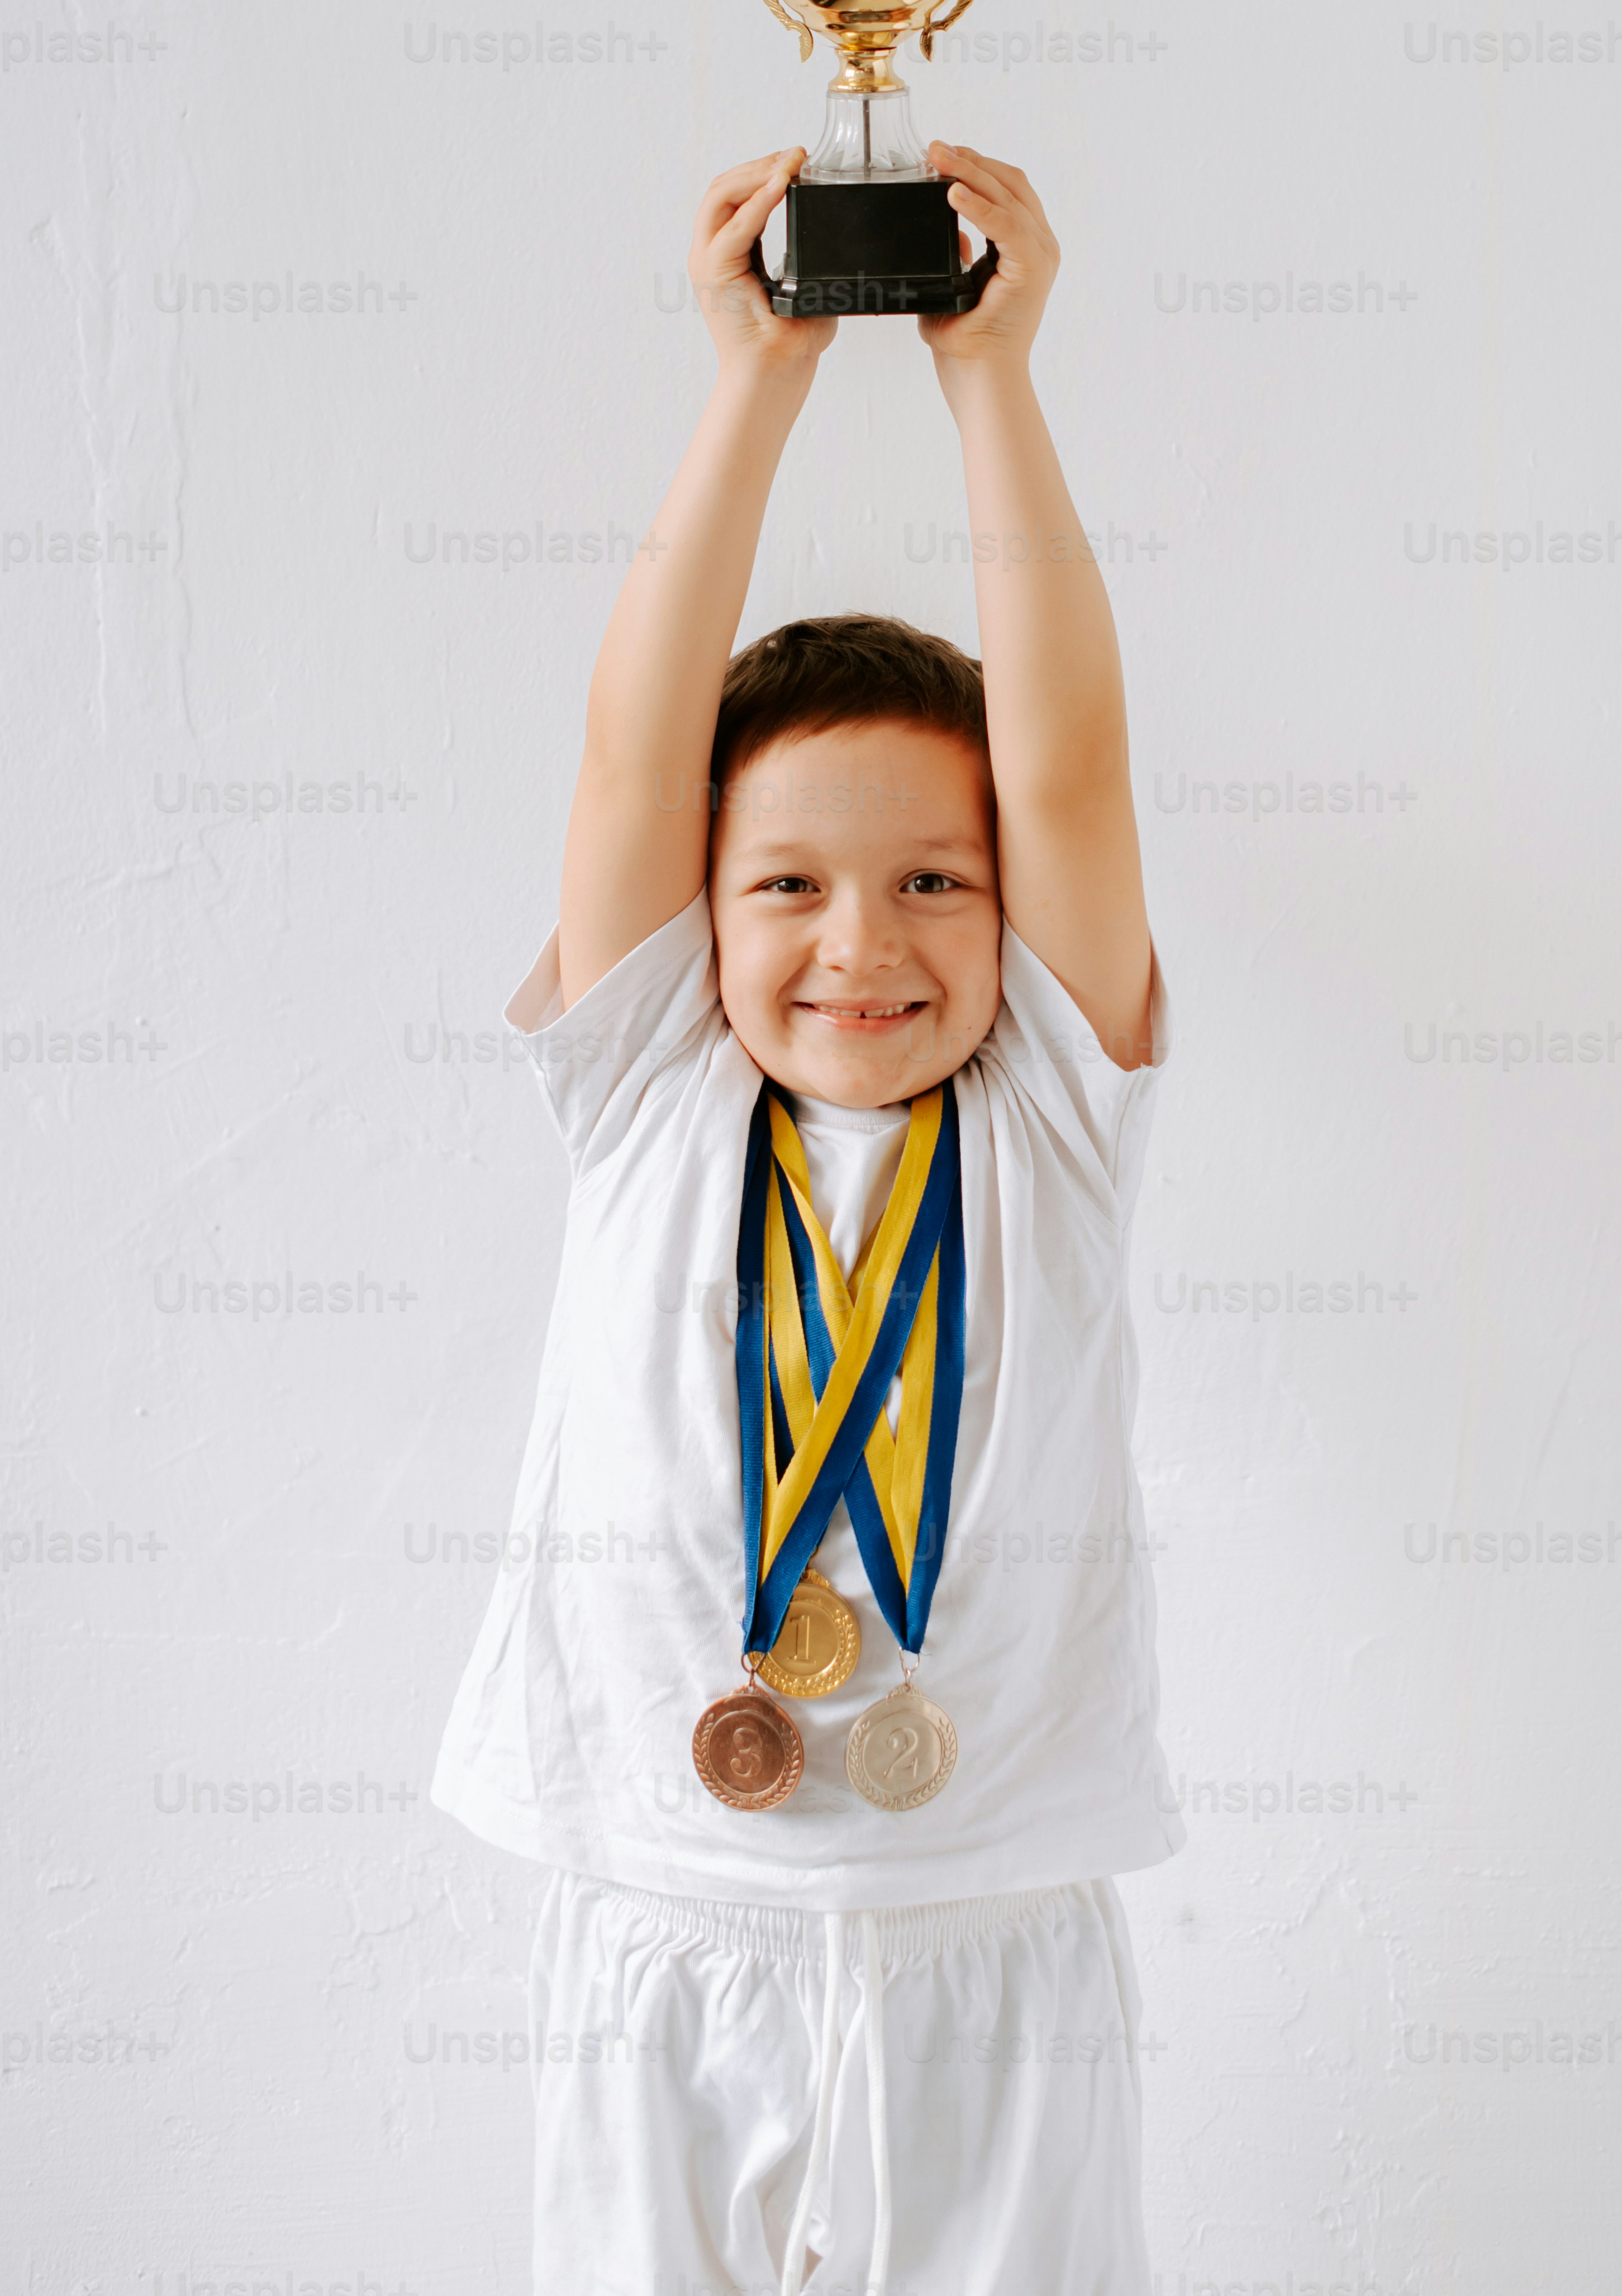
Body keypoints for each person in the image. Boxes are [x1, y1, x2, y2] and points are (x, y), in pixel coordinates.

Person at [433, 139, 1180, 2296]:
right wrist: (754, 381)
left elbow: (1073, 770)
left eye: (934, 879)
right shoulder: (649, 1077)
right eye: (789, 884)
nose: (863, 942)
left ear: (1010, 909)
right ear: (705, 906)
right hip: (665, 1898)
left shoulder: (1052, 1102)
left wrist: (990, 377)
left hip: (995, 1921)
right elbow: (624, 754)